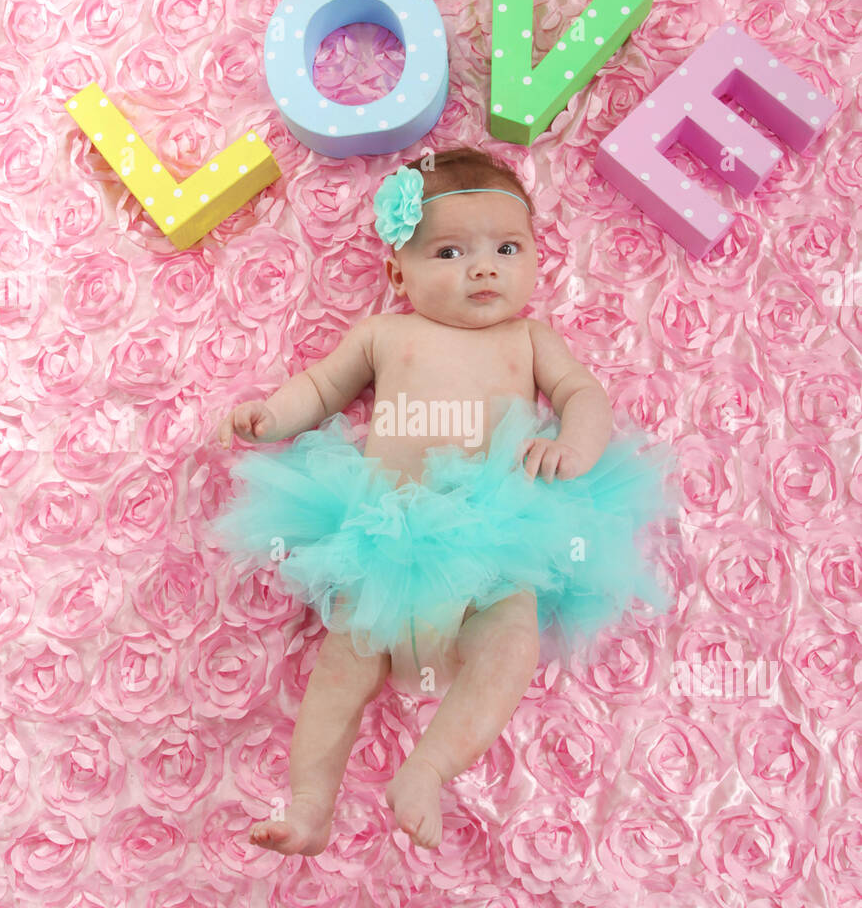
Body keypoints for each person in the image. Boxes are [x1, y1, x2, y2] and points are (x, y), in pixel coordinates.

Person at [209, 147, 677, 855]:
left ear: (534, 260)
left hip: (502, 533)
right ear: (399, 273)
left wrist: (575, 449)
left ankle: (427, 768)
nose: (482, 267)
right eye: (450, 251)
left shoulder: (529, 338)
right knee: (343, 668)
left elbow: (585, 395)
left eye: (506, 248)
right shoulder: (385, 334)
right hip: (387, 534)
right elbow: (321, 387)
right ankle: (309, 805)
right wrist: (272, 415)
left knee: (510, 646)